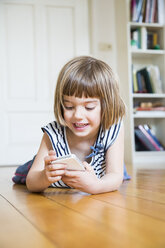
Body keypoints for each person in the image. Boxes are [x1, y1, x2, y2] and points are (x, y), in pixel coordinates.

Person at [24, 56, 127, 194]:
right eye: (69, 106)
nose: (77, 115)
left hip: (101, 168)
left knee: (119, 172)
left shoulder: (113, 128)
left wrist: (96, 185)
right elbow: (31, 182)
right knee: (25, 172)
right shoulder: (53, 133)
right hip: (42, 168)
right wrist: (44, 177)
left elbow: (115, 176)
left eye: (89, 107)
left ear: (107, 106)